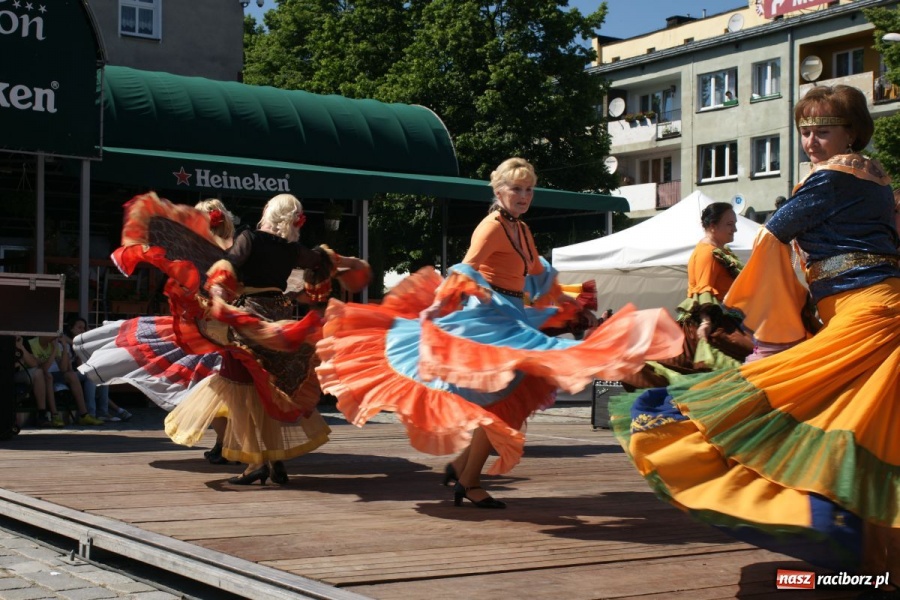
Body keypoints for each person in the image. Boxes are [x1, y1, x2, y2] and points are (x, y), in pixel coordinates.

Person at [610, 84, 900, 586]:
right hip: (882, 309)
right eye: (805, 131)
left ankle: (869, 561)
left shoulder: (830, 176)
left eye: (822, 131)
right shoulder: (878, 178)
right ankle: (877, 566)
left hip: (864, 316)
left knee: (783, 405)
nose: (811, 142)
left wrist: (744, 313)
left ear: (851, 132)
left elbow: (773, 232)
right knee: (871, 433)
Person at [317, 157, 683, 508]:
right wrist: (437, 306)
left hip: (514, 317)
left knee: (505, 402)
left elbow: (538, 273)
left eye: (529, 190)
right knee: (498, 403)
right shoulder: (491, 226)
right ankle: (468, 478)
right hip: (487, 320)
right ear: (499, 190)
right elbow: (467, 267)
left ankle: (464, 471)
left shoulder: (521, 229)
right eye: (516, 189)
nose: (524, 196)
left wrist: (571, 307)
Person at [159, 193, 370, 485]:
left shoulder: (251, 239)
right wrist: (345, 266)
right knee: (266, 392)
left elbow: (228, 266)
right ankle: (276, 462)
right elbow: (320, 261)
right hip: (277, 322)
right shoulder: (293, 249)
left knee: (238, 393)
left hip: (249, 322)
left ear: (269, 212)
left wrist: (219, 297)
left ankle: (256, 464)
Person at [620, 202, 752, 389]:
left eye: (734, 223)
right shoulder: (707, 253)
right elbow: (702, 290)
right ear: (713, 226)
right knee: (749, 356)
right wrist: (706, 323)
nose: (735, 229)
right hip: (712, 321)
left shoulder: (722, 251)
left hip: (727, 318)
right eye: (729, 224)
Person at [63, 317, 132, 422]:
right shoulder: (65, 342)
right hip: (67, 373)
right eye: (79, 327)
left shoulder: (82, 344)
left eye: (84, 328)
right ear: (71, 328)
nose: (82, 330)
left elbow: (83, 364)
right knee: (91, 377)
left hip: (78, 373)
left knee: (100, 376)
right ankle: (92, 413)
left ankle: (103, 412)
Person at [28, 334, 104, 426]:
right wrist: (54, 350)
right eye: (53, 334)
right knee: (48, 376)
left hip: (55, 373)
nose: (56, 337)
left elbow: (63, 368)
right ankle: (55, 415)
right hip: (40, 375)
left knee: (71, 375)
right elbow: (43, 368)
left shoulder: (54, 344)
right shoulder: (33, 344)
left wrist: (64, 347)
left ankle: (84, 415)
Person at [13, 335, 57, 427]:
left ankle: (42, 414)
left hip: (16, 375)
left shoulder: (21, 340)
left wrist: (21, 347)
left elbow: (33, 363)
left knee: (38, 372)